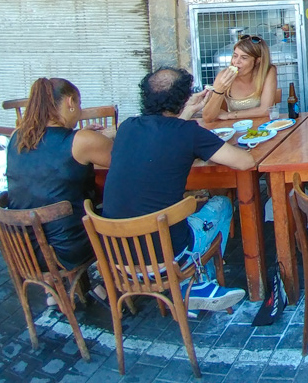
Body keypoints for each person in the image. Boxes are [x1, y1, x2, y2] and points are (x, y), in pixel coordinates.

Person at [103, 68, 256, 312]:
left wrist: (188, 110)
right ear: (183, 97)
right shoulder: (189, 133)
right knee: (222, 204)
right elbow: (245, 162)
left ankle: (194, 284)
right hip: (166, 259)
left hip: (119, 259)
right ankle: (196, 283)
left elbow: (165, 131)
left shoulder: (127, 128)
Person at [6, 78, 113, 270]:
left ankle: (62, 288)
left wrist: (82, 135)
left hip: (24, 249)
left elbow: (46, 157)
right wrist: (93, 137)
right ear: (70, 102)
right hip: (66, 250)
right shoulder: (82, 141)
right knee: (119, 215)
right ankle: (117, 279)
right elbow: (127, 163)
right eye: (79, 104)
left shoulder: (17, 135)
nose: (80, 110)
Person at [203, 35, 278, 122]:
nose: (236, 62)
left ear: (257, 61)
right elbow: (207, 117)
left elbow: (265, 110)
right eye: (235, 56)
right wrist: (219, 91)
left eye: (244, 58)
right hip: (236, 126)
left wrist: (229, 115)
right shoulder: (223, 76)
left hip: (263, 125)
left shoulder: (268, 72)